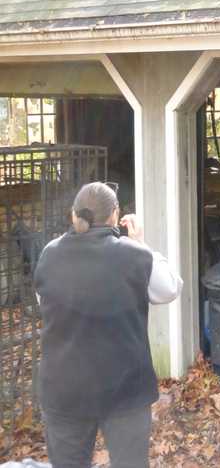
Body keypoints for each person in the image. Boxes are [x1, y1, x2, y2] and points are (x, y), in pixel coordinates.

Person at [33, 182, 183, 468]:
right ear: (115, 216)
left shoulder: (49, 255)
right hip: (124, 390)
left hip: (64, 388)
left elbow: (44, 302)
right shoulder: (134, 255)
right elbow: (170, 288)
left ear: (73, 215)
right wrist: (140, 242)